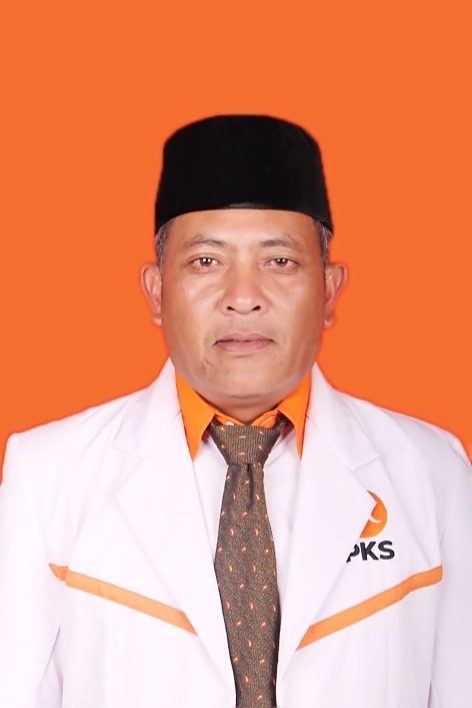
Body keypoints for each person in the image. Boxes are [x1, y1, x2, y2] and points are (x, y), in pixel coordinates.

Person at [0, 115, 470, 708]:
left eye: (280, 262)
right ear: (156, 291)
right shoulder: (48, 477)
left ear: (330, 290)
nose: (243, 297)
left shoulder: (432, 474)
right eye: (206, 261)